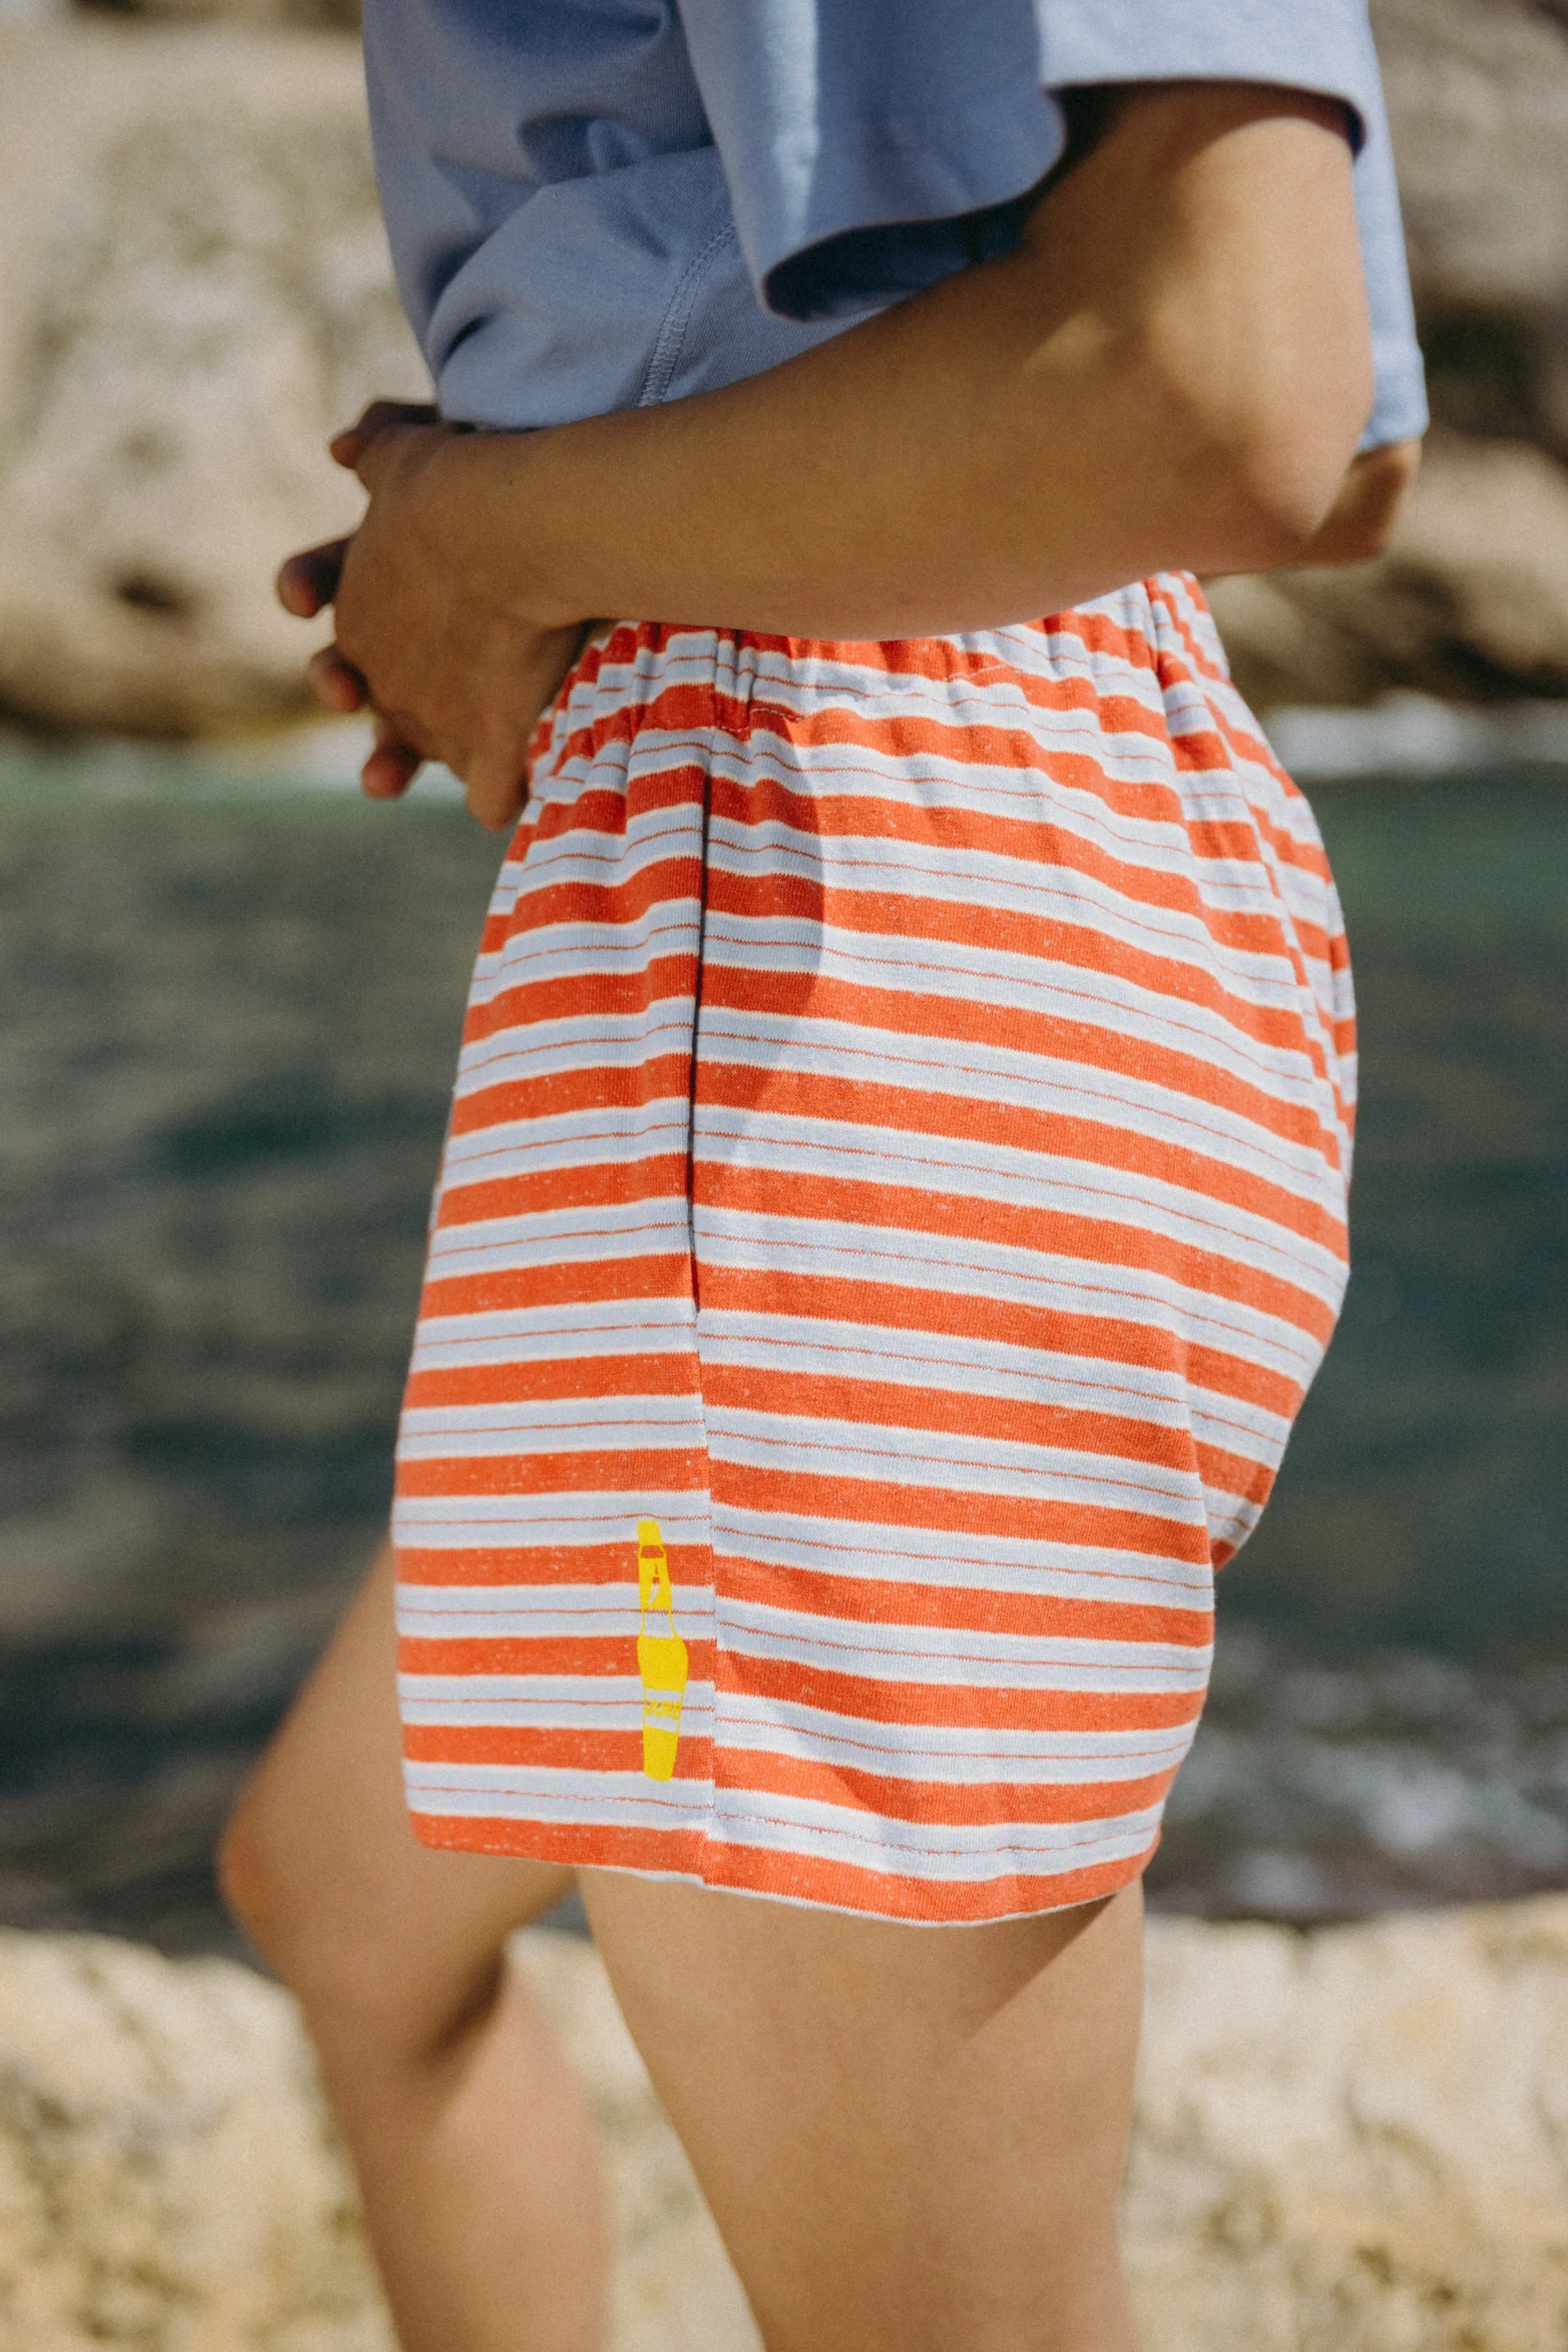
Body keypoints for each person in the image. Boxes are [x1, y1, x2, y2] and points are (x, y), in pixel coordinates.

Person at [218, 8, 1427, 2348]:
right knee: (347, 1896)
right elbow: (1345, 432)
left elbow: (1230, 384)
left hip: (814, 910)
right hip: (975, 845)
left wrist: (492, 537)